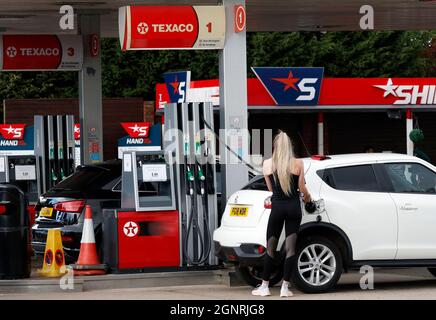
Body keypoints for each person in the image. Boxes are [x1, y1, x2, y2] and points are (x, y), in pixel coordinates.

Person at [252, 131, 312, 298]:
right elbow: (302, 189)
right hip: (294, 208)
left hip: (277, 208)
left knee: (271, 247)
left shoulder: (267, 164)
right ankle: (285, 288)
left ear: (275, 146)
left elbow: (271, 190)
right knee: (291, 248)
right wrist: (308, 199)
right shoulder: (298, 163)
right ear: (290, 147)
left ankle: (265, 286)